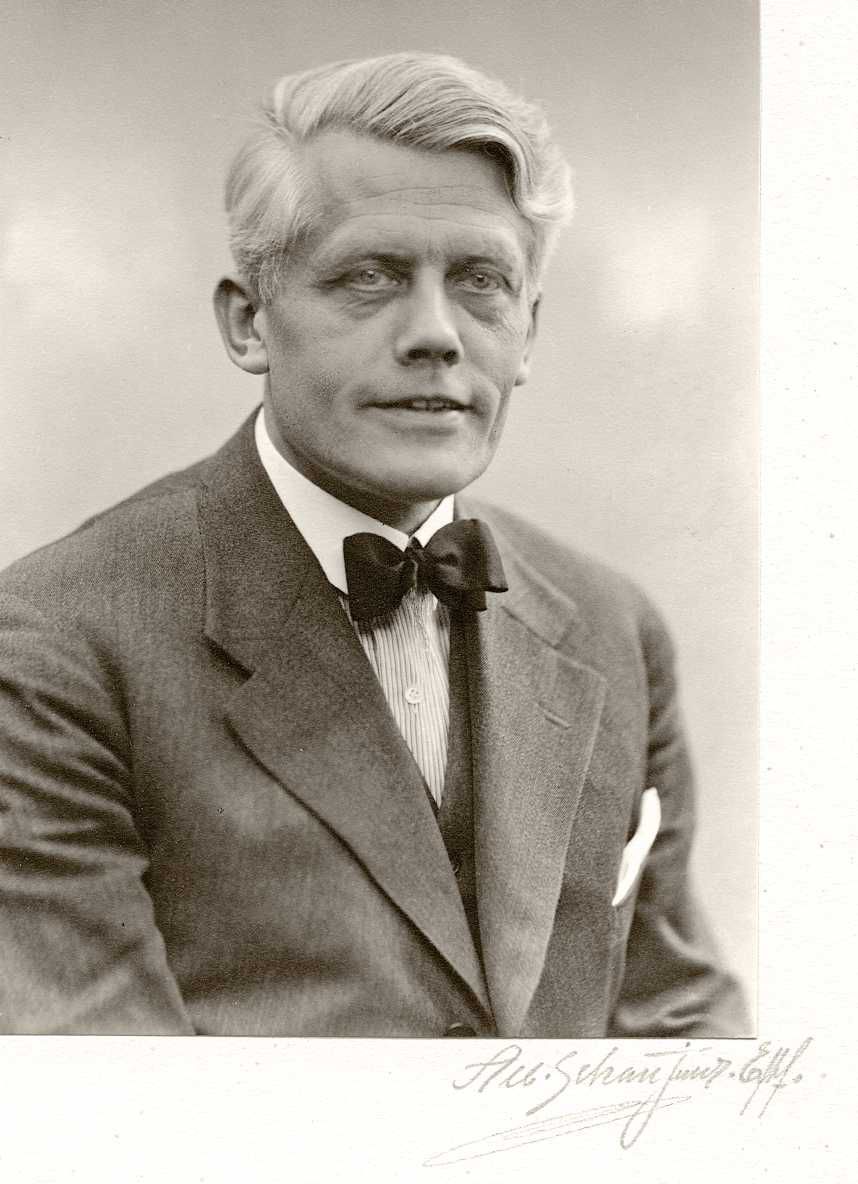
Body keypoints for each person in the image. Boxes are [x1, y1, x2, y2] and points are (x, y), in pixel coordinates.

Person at [0, 53, 747, 1037]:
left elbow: (683, 1024)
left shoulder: (612, 626)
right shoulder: (56, 642)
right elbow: (106, 1098)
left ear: (527, 334)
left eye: (480, 281)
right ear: (249, 323)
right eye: (369, 276)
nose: (436, 334)